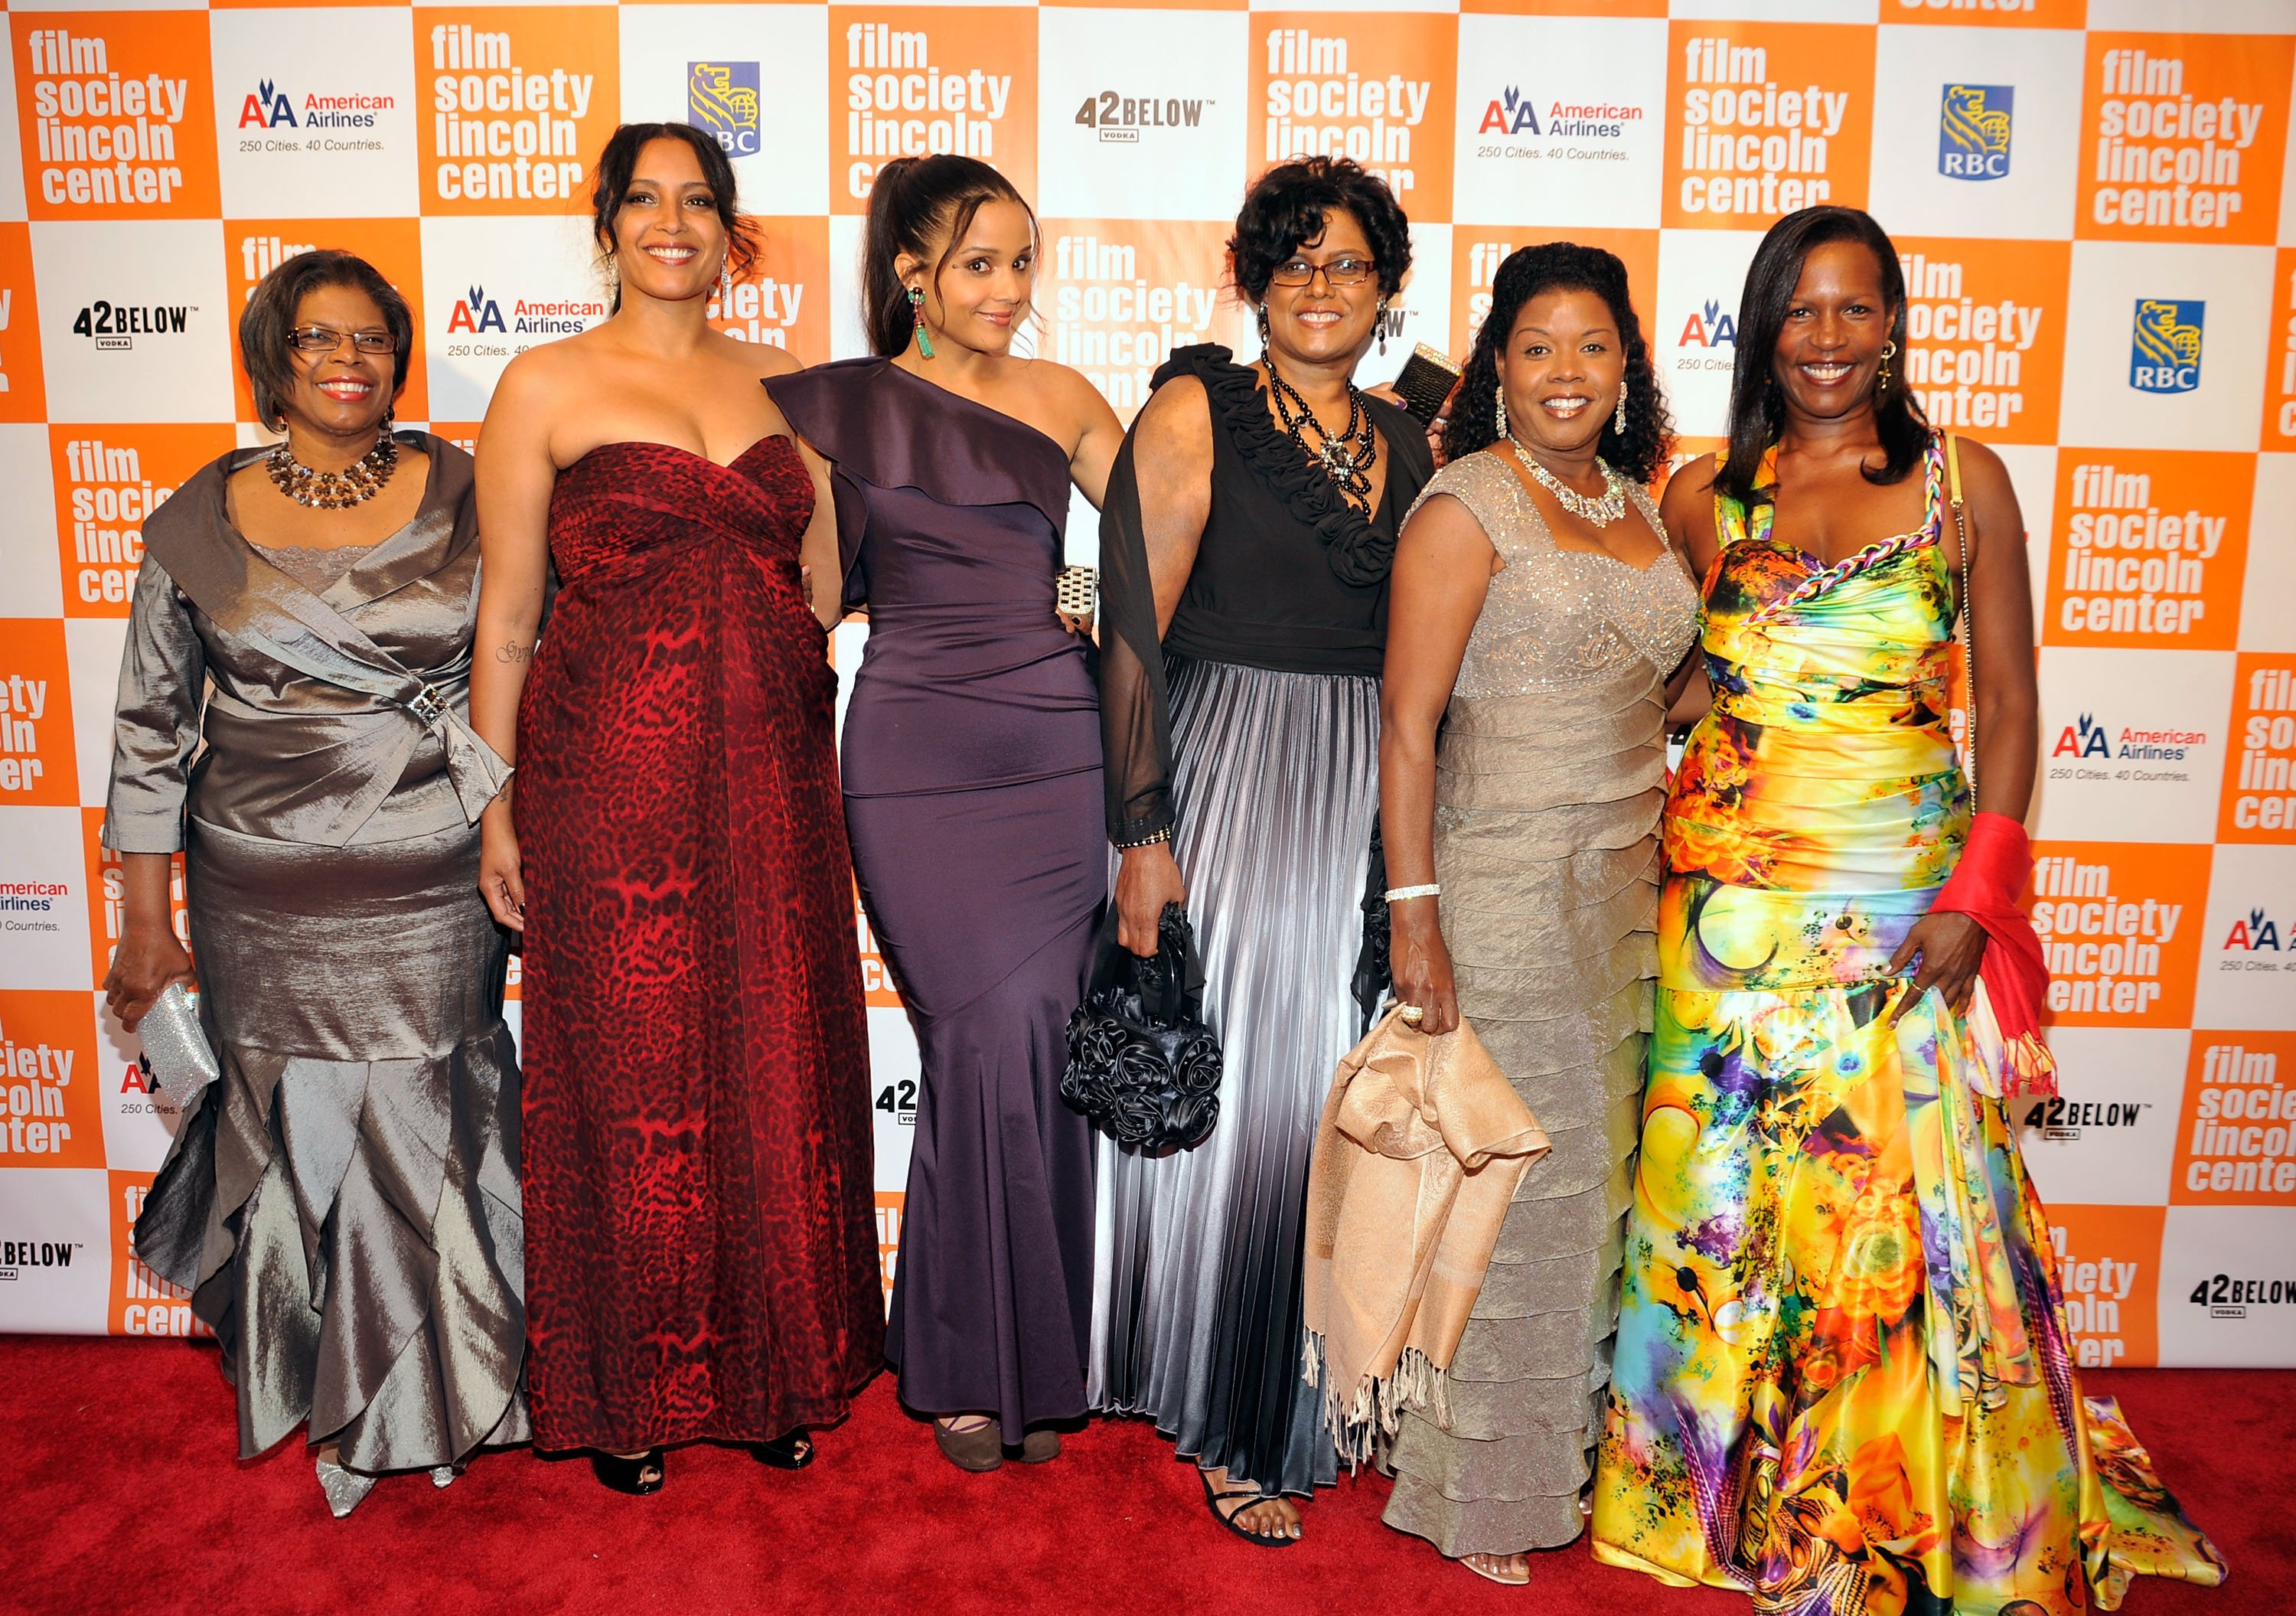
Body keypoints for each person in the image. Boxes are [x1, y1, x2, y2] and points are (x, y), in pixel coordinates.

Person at [1592, 205, 2226, 1611]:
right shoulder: (1704, 495)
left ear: (1893, 324)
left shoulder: (1962, 485)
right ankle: (1710, 1496)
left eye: (1855, 309)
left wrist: (1979, 897)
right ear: (1764, 328)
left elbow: (2011, 703)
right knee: (1720, 1210)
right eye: (1800, 312)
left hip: (1900, 915)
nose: (1827, 338)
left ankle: (1883, 1506)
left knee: (1890, 1225)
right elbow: (1686, 684)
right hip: (1726, 923)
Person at [469, 122, 879, 1496]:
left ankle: (771, 1373)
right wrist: (497, 803)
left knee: (772, 1063)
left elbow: (818, 580)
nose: (672, 222)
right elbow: (510, 620)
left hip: (770, 782)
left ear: (729, 230)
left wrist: (770, 685)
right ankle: (630, 1389)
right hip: (609, 781)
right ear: (608, 225)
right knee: (633, 1081)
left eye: (699, 201)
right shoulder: (545, 384)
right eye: (644, 199)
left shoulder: (782, 391)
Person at [109, 250, 527, 1518]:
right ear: (272, 360)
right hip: (258, 888)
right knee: (294, 1137)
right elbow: (149, 727)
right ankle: (324, 1384)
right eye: (318, 341)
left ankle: (444, 1399)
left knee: (429, 1122)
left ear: (400, 360)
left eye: (373, 342)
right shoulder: (199, 515)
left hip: (437, 872)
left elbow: (529, 651)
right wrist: (142, 921)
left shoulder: (474, 490)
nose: (350, 362)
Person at [1092, 155, 1433, 1546]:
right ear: (1249, 278)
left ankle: (1316, 1385)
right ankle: (1235, 1417)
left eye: (1347, 262)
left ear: (1387, 289)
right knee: (1257, 1117)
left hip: (1373, 797)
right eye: (1290, 260)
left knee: (1340, 1111)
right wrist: (1142, 834)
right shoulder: (1195, 411)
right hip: (1231, 782)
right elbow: (1123, 629)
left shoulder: (1418, 439)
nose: (1318, 286)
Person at [765, 154, 1123, 1472]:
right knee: (981, 1037)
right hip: (914, 753)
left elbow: (1163, 538)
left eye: (1024, 261)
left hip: (1057, 744)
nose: (1008, 290)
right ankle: (973, 1357)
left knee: (1041, 1036)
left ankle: (1040, 1352)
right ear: (911, 270)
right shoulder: (830, 411)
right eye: (979, 263)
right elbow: (808, 595)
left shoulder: (1066, 397)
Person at [1376, 243, 1698, 1585]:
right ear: (1497, 367)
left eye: (1594, 348)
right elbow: (1404, 723)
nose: (1567, 373)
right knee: (1509, 1184)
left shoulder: (1638, 503)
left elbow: (1667, 685)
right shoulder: (1468, 505)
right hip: (1500, 884)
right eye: (1537, 348)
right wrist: (1415, 916)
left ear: (1628, 365)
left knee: (1595, 1193)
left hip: (1629, 891)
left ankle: (1554, 1464)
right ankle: (1472, 1489)